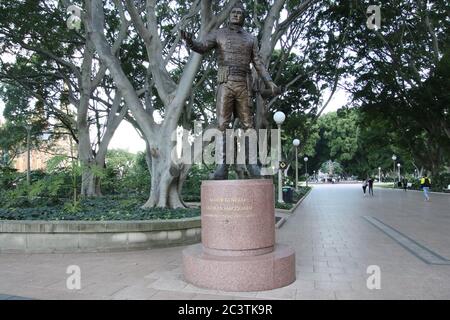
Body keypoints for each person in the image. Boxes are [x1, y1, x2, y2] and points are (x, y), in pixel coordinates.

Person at [181, 2, 279, 179]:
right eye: (233, 12)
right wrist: (190, 41)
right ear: (229, 15)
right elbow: (202, 47)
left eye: (239, 13)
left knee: (248, 125)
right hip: (225, 82)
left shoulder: (250, 38)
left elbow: (258, 63)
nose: (235, 15)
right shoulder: (219, 33)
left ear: (243, 17)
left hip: (243, 83)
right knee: (222, 125)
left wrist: (269, 81)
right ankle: (221, 167)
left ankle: (252, 164)